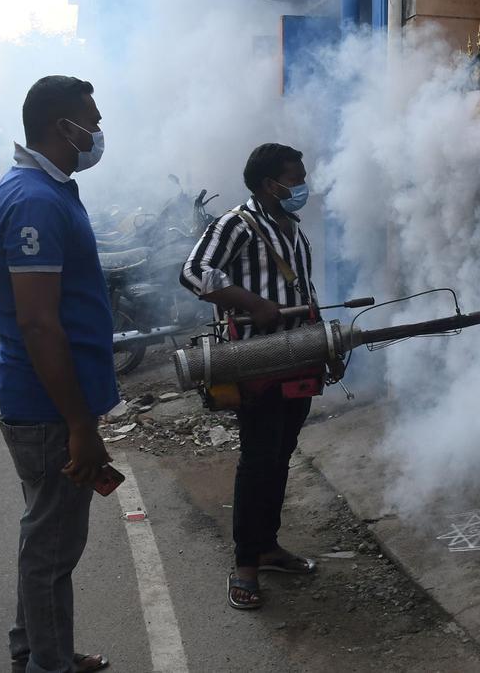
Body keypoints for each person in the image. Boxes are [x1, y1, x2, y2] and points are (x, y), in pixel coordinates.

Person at [0, 75, 114, 673]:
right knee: (53, 549)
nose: (99, 130)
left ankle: (37, 649)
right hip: (49, 409)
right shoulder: (34, 198)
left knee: (46, 537)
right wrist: (79, 423)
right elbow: (39, 325)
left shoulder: (47, 189)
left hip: (51, 405)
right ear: (65, 127)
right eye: (94, 119)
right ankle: (48, 665)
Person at [180, 143, 319, 609]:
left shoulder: (293, 228)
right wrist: (252, 304)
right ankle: (245, 566)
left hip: (299, 356)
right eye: (294, 179)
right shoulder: (237, 224)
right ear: (269, 185)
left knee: (281, 455)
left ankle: (268, 546)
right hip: (256, 361)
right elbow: (194, 272)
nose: (302, 186)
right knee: (258, 460)